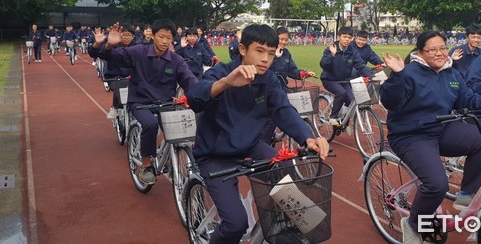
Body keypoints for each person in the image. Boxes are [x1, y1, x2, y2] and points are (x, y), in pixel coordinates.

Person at [186, 24, 329, 243]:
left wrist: (308, 137)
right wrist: (225, 83)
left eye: (271, 53)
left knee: (294, 199)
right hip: (215, 155)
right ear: (243, 49)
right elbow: (195, 97)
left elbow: (283, 110)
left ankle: (276, 227)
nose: (265, 59)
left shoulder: (269, 79)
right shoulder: (222, 72)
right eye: (259, 51)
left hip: (252, 146)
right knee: (236, 224)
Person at [380, 31, 481, 244]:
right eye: (433, 49)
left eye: (442, 48)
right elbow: (390, 101)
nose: (440, 53)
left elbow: (468, 99)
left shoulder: (452, 73)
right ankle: (413, 223)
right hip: (412, 135)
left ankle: (466, 193)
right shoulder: (409, 72)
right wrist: (397, 75)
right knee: (437, 184)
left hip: (443, 129)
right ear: (420, 52)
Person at [94, 19, 199, 184]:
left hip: (166, 103)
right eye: (161, 36)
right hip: (140, 102)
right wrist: (109, 45)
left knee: (182, 129)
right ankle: (146, 164)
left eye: (169, 38)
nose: (164, 41)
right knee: (150, 124)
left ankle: (178, 158)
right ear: (153, 36)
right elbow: (111, 57)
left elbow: (190, 80)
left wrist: (203, 94)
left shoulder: (176, 60)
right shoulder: (138, 52)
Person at [320, 26, 374, 125]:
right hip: (330, 79)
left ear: (352, 39)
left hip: (344, 80)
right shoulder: (331, 49)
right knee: (341, 93)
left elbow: (361, 65)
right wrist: (332, 55)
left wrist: (372, 76)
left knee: (352, 100)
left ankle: (343, 124)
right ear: (339, 37)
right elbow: (323, 64)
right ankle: (333, 117)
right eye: (344, 37)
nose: (347, 40)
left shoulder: (352, 51)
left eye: (349, 38)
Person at [90, 24, 137, 118]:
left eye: (129, 35)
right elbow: (97, 53)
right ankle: (115, 107)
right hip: (115, 77)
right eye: (124, 35)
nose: (126, 37)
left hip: (133, 78)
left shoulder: (137, 47)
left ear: (133, 37)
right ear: (120, 35)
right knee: (119, 87)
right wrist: (98, 44)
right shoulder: (112, 46)